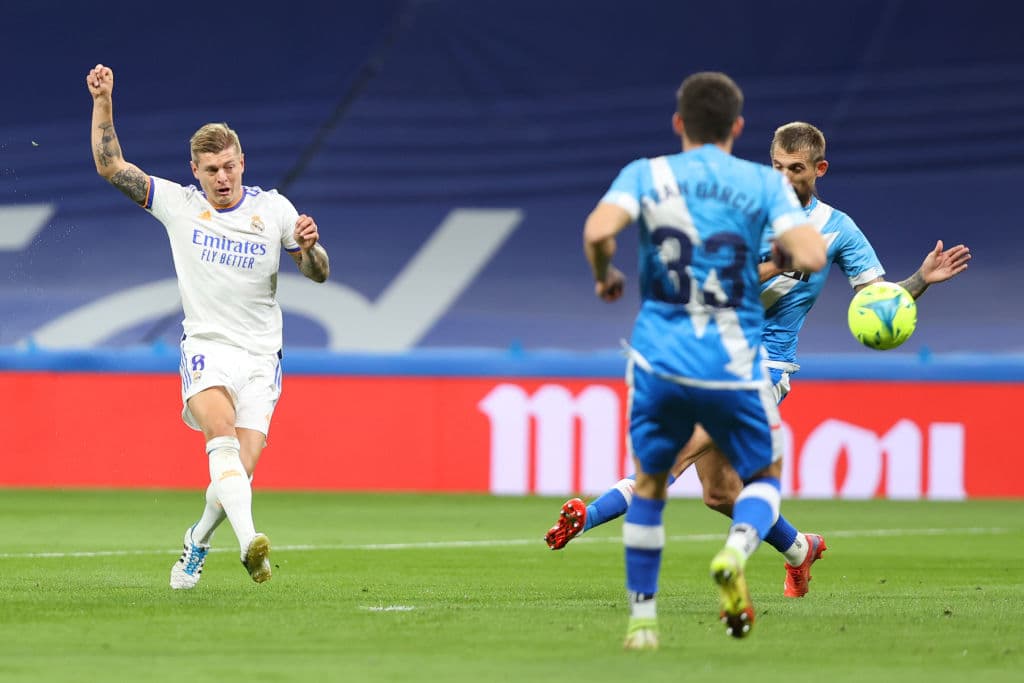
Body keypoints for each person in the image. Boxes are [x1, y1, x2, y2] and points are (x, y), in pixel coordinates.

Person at [548, 121, 971, 600]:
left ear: (819, 169)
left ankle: (588, 516)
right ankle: (800, 550)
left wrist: (918, 280)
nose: (785, 177)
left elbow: (875, 301)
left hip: (765, 368)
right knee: (721, 494)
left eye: (796, 168)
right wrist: (777, 262)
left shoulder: (838, 230)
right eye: (777, 167)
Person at [582, 73, 828, 650]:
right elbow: (813, 254)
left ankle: (642, 622)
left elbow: (597, 232)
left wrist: (604, 276)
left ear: (678, 125)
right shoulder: (758, 183)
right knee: (762, 476)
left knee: (650, 483)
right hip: (732, 363)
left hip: (657, 361)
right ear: (738, 129)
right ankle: (736, 551)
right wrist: (783, 254)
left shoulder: (646, 173)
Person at [86, 64, 330, 589]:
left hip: (262, 358)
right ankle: (249, 544)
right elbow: (111, 166)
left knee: (240, 468)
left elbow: (319, 274)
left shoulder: (275, 210)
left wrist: (310, 248)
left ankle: (196, 542)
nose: (221, 177)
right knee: (219, 437)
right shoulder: (181, 206)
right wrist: (103, 101)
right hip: (207, 347)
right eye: (210, 169)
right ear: (194, 171)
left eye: (228, 166)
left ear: (243, 163)